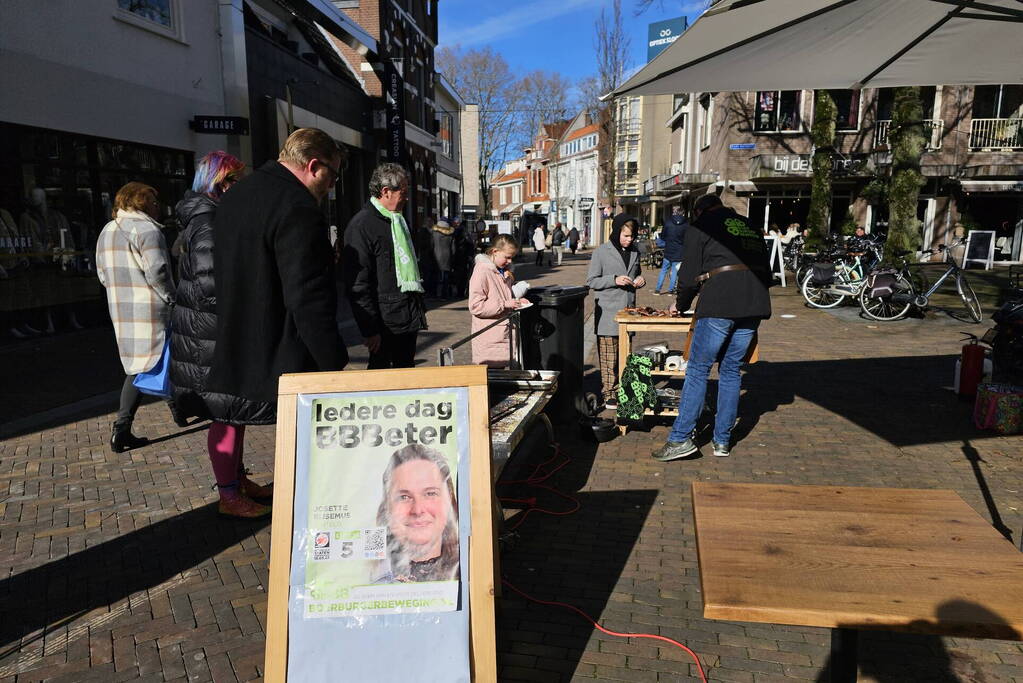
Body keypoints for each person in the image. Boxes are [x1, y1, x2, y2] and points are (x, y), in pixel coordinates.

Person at [206, 128, 349, 437]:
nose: (332, 185)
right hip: (284, 355)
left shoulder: (237, 194)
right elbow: (307, 296)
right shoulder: (299, 208)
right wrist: (333, 359)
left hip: (236, 344)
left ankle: (236, 484)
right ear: (313, 166)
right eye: (333, 175)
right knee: (301, 449)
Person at [167, 152, 272, 519]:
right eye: (235, 181)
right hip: (211, 336)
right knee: (225, 412)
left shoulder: (211, 219)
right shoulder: (210, 222)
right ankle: (229, 494)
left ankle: (237, 480)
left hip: (211, 333)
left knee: (233, 410)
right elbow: (214, 285)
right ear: (220, 184)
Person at [652, 194, 771, 461]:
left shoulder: (702, 225)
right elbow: (766, 267)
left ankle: (681, 439)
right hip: (754, 303)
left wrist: (680, 304)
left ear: (699, 211)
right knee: (730, 371)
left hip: (720, 302)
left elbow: (688, 274)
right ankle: (722, 441)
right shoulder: (749, 225)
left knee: (697, 369)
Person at [96, 182, 185, 453]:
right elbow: (157, 271)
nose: (159, 207)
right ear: (142, 203)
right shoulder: (147, 230)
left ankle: (178, 411)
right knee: (153, 361)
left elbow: (101, 273)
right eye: (154, 202)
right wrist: (172, 296)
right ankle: (123, 426)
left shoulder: (108, 230)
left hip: (121, 308)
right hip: (150, 307)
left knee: (148, 361)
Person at [343, 163, 427, 369]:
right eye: (403, 192)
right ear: (386, 192)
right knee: (382, 379)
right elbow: (358, 283)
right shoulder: (362, 225)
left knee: (405, 373)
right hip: (385, 322)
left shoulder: (397, 221)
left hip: (406, 316)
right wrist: (370, 329)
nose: (406, 198)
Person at [373, 444, 460, 583]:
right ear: (386, 506)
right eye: (404, 497)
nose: (417, 510)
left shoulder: (472, 572)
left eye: (430, 493)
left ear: (449, 500)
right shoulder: (361, 575)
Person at [586, 214, 645, 409]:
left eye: (632, 236)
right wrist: (614, 279)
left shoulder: (635, 251)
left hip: (629, 311)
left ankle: (623, 388)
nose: (629, 240)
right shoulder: (601, 252)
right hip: (608, 311)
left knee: (624, 354)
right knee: (609, 356)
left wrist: (640, 280)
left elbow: (637, 273)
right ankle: (609, 392)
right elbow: (592, 281)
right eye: (626, 236)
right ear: (617, 230)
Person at [468, 234, 529, 368]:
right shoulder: (482, 271)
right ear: (495, 252)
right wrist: (505, 304)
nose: (510, 261)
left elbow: (503, 297)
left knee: (500, 375)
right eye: (507, 257)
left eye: (511, 258)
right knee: (489, 378)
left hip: (502, 334)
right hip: (489, 336)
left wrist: (516, 301)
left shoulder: (503, 272)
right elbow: (476, 306)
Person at [654, 205, 687, 295]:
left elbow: (663, 236)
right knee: (674, 272)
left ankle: (657, 290)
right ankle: (671, 290)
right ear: (683, 214)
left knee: (663, 270)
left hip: (669, 250)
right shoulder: (686, 224)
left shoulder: (668, 223)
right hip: (679, 251)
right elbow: (687, 239)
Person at [431, 218, 455, 298]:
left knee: (435, 276)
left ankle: (434, 294)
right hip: (447, 258)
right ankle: (444, 295)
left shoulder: (434, 234)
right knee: (446, 277)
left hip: (436, 257)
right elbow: (453, 249)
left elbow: (431, 245)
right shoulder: (451, 235)